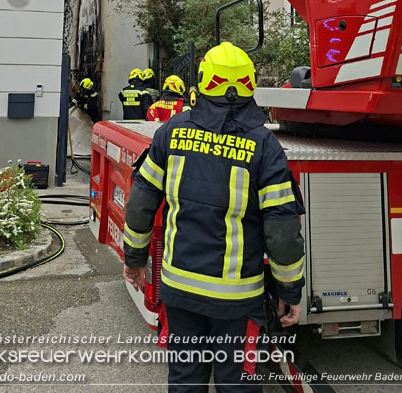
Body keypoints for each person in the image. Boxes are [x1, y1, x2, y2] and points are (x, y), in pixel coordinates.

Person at [123, 42, 305, 392]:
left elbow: (140, 204)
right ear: (250, 85)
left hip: (179, 293)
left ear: (204, 81)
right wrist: (290, 291)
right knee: (235, 385)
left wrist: (135, 259)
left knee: (185, 382)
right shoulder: (265, 147)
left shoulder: (171, 133)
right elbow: (282, 233)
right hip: (236, 302)